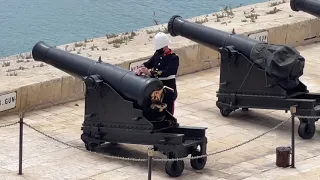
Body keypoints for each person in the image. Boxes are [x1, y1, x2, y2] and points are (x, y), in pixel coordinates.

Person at [135, 32, 179, 115]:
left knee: (168, 112)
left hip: (167, 89)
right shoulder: (157, 54)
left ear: (165, 46)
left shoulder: (173, 58)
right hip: (156, 89)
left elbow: (167, 72)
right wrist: (141, 68)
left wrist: (150, 72)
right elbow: (149, 63)